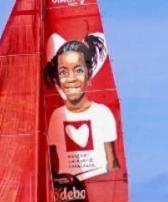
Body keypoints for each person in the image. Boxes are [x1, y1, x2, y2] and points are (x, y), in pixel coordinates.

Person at [45, 34, 120, 183]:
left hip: (100, 191)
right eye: (63, 72)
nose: (71, 78)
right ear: (57, 80)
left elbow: (113, 163)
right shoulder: (56, 117)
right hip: (68, 196)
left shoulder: (103, 114)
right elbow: (52, 166)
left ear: (89, 74)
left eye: (78, 70)